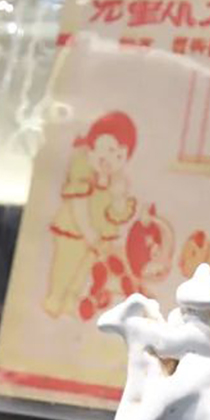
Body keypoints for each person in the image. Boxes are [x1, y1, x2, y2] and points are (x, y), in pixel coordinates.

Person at [44, 111, 138, 317]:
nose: (111, 159)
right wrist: (89, 233)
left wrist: (119, 198)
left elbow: (116, 214)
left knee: (83, 273)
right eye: (110, 149)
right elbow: (78, 204)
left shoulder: (116, 180)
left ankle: (70, 302)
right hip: (74, 232)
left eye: (119, 156)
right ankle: (54, 299)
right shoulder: (81, 167)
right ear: (93, 143)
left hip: (98, 239)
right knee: (65, 267)